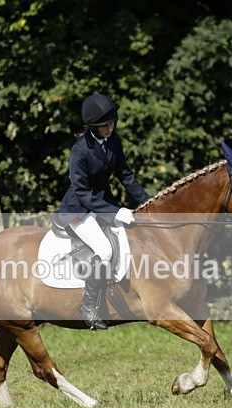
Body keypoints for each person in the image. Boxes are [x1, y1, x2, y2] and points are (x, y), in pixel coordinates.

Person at [57, 93, 152, 330]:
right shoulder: (80, 150)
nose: (110, 127)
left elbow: (126, 176)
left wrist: (150, 205)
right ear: (93, 126)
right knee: (105, 249)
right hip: (78, 210)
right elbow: (82, 193)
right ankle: (88, 306)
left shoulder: (113, 141)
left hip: (101, 204)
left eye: (112, 122)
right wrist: (115, 212)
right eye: (105, 125)